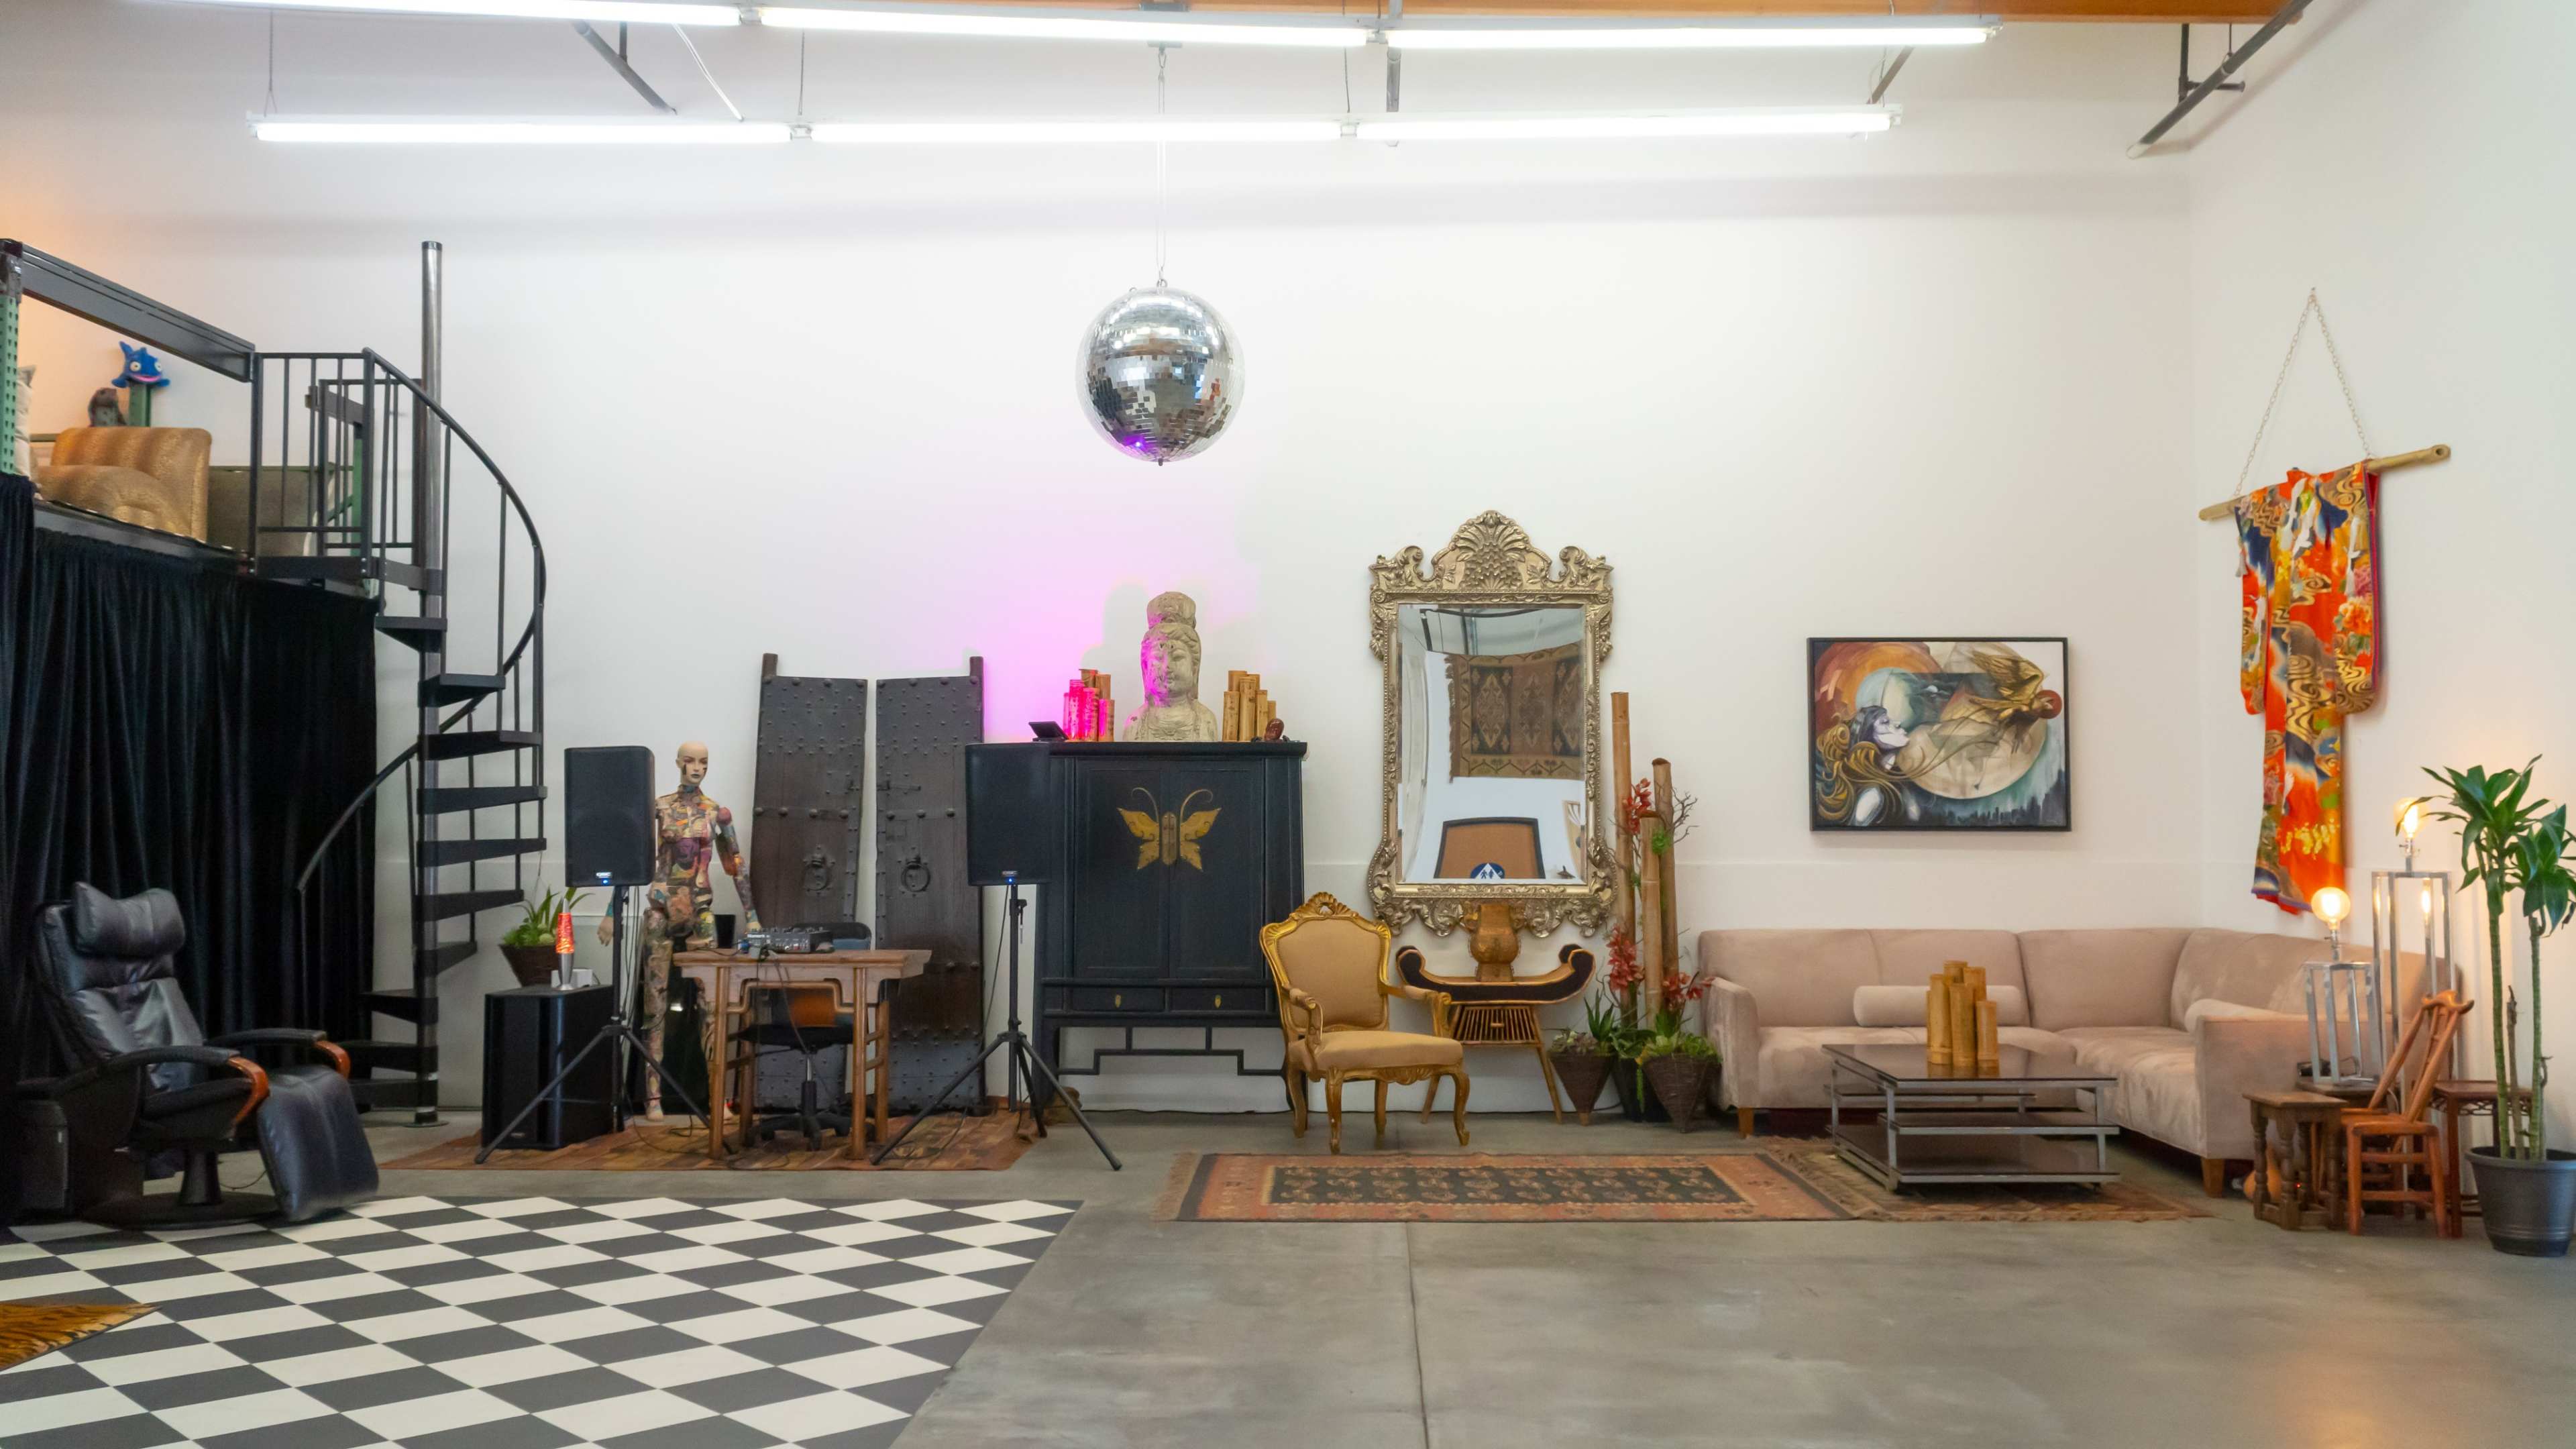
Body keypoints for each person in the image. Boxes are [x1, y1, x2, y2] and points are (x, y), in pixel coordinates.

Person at [598, 740, 759, 1119]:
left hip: (701, 908)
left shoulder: (716, 813)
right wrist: (611, 911)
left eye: (704, 761)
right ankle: (653, 1098)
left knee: (711, 1003)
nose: (697, 767)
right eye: (690, 761)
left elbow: (735, 863)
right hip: (661, 907)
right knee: (655, 1001)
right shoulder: (658, 809)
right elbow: (632, 857)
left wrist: (752, 916)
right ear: (677, 763)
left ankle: (717, 1097)